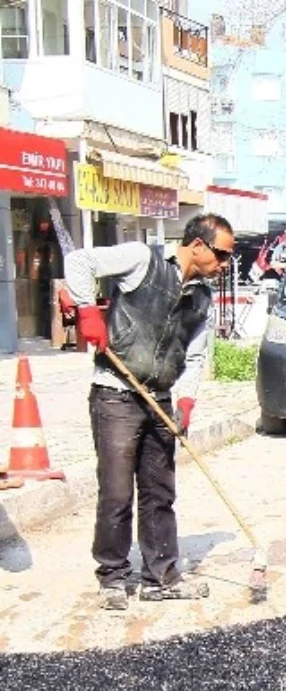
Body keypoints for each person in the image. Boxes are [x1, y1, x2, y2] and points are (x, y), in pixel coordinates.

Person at [64, 213, 235, 611]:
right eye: (222, 255)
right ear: (198, 245)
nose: (224, 265)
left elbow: (193, 355)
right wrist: (88, 310)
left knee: (159, 492)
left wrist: (187, 403)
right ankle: (112, 576)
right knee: (117, 490)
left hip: (159, 398)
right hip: (116, 393)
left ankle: (161, 576)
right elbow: (79, 262)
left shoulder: (201, 298)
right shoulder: (142, 260)